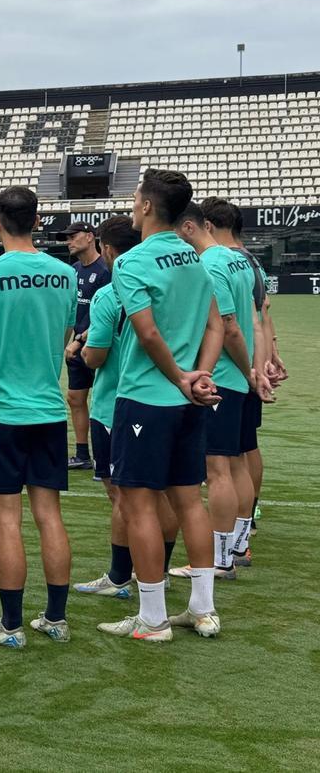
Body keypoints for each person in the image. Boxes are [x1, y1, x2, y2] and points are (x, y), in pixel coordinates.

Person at [98, 169, 225, 642]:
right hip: (187, 400)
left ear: (148, 206)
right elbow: (217, 325)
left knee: (140, 506)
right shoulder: (195, 259)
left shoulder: (131, 263)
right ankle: (203, 609)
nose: (133, 204)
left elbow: (147, 333)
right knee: (190, 500)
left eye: (135, 198)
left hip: (146, 400)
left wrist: (178, 378)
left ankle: (153, 619)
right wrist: (199, 377)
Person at [0, 186, 76, 648]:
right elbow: (64, 332)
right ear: (38, 220)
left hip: (1, 410)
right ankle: (56, 618)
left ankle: (10, 626)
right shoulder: (64, 273)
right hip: (47, 407)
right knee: (49, 515)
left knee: (7, 520)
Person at [170, 203, 270, 581]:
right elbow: (253, 321)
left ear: (193, 227)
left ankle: (220, 559)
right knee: (238, 462)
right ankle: (237, 545)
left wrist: (245, 371)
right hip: (238, 379)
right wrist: (253, 372)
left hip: (224, 379)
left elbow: (228, 327)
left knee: (218, 470)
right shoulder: (239, 261)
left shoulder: (210, 264)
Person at [73, 216, 145, 597]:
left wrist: (81, 349)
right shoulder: (160, 284)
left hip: (114, 405)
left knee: (121, 495)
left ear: (110, 249)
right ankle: (155, 572)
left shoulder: (111, 291)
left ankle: (121, 576)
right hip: (159, 400)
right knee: (158, 494)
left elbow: (97, 356)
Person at [202, 199, 280, 546]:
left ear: (207, 225)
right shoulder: (250, 264)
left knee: (227, 462)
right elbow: (260, 320)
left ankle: (227, 549)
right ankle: (241, 538)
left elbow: (234, 324)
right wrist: (265, 363)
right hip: (248, 368)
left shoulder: (218, 262)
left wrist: (253, 369)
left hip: (233, 370)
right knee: (245, 451)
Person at [57, 222, 111, 471]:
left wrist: (80, 341)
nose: (69, 241)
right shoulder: (74, 270)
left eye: (73, 236)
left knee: (104, 399)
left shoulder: (105, 270)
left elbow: (105, 315)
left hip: (98, 345)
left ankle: (109, 453)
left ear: (90, 237)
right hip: (77, 345)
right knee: (75, 397)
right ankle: (82, 454)